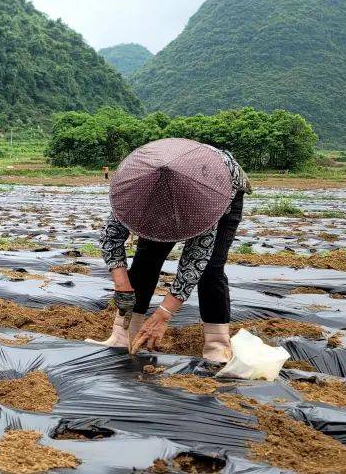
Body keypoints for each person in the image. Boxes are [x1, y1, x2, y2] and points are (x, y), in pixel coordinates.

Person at [88, 138, 250, 363]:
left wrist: (164, 314)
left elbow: (195, 260)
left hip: (217, 188)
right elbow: (111, 238)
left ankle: (217, 345)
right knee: (146, 258)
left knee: (211, 269)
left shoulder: (203, 200)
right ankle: (122, 335)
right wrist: (122, 286)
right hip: (167, 181)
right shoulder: (135, 192)